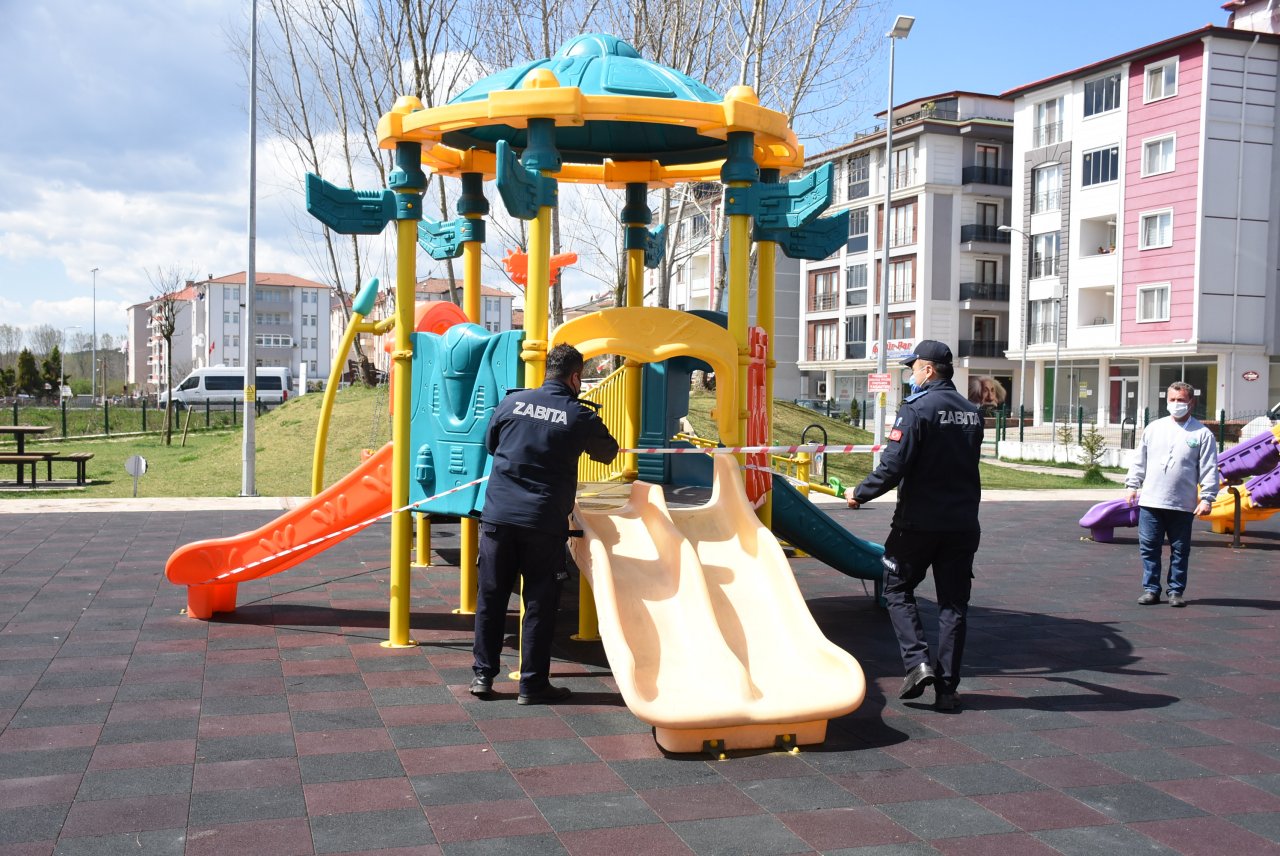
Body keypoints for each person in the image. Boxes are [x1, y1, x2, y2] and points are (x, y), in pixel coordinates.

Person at [471, 343, 619, 704]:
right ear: (575, 376)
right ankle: (532, 685)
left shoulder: (510, 403)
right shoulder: (579, 415)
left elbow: (491, 444)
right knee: (538, 601)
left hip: (498, 517)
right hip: (542, 522)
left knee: (491, 598)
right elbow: (608, 452)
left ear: (546, 371)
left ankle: (482, 678)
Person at [845, 340, 983, 711]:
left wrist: (860, 493)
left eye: (913, 369)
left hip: (919, 522)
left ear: (929, 370)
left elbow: (894, 465)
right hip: (962, 524)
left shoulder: (917, 409)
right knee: (953, 606)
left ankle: (918, 663)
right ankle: (948, 690)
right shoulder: (972, 412)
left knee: (896, 587)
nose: (910, 375)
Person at [1125, 381, 1218, 608]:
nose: (1177, 404)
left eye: (1182, 400)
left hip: (1182, 504)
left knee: (1180, 550)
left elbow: (1208, 468)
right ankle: (1151, 589)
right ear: (1167, 401)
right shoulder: (1154, 428)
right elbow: (1140, 459)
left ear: (1191, 403)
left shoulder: (1203, 434)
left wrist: (1207, 498)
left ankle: (1176, 590)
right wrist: (1132, 485)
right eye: (1173, 400)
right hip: (1151, 501)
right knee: (1149, 546)